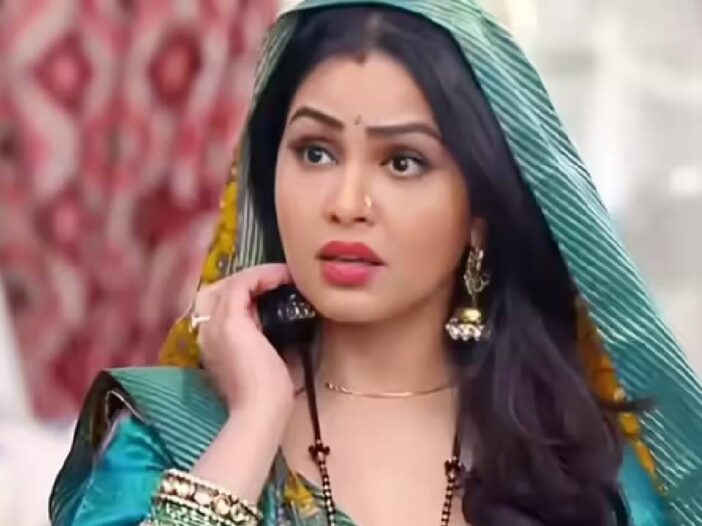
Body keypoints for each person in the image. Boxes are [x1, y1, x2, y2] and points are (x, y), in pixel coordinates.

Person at [49, 1, 702, 525]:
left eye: (403, 162)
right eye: (315, 152)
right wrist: (254, 421)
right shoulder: (171, 436)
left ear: (480, 209)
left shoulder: (578, 466)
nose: (346, 203)